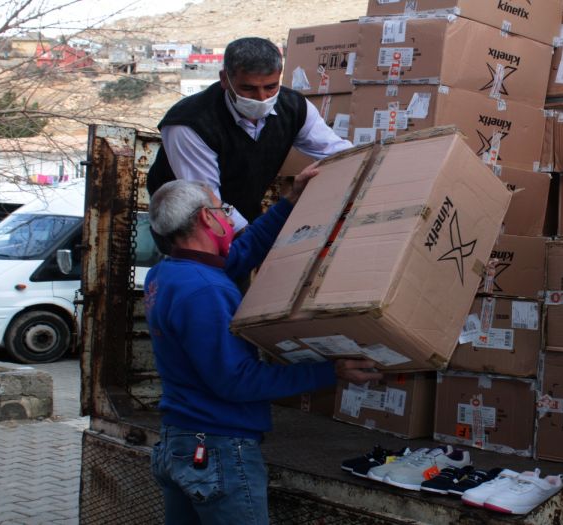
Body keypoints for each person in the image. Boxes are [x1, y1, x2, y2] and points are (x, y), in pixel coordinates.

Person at [145, 179, 381, 525]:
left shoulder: (166, 274)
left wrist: (287, 203)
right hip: (218, 448)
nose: (228, 219)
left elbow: (240, 254)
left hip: (180, 442)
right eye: (223, 211)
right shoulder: (204, 291)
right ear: (207, 220)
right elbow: (236, 381)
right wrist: (329, 371)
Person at [147, 36, 352, 235]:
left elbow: (336, 152)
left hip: (245, 211)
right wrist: (253, 242)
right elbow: (208, 200)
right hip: (189, 229)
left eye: (271, 87)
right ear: (225, 80)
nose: (261, 98)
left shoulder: (293, 107)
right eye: (248, 89)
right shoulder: (189, 124)